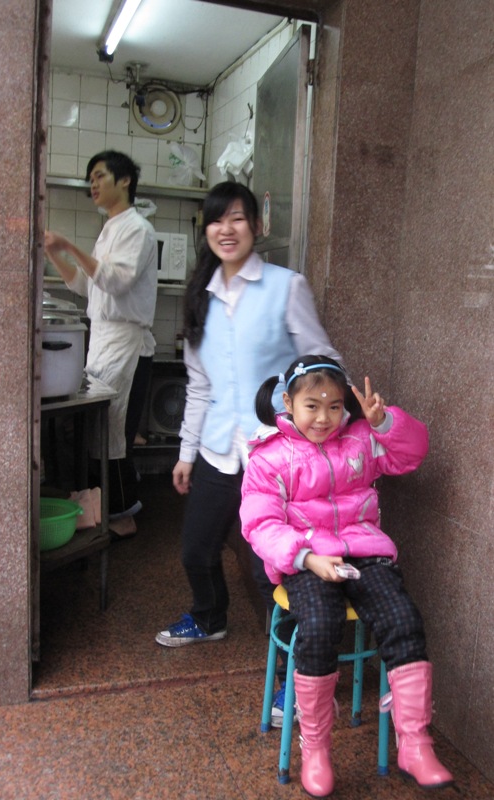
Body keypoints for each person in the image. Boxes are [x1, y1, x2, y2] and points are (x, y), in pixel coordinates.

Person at [154, 182, 346, 719]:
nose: (227, 229)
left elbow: (321, 358)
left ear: (256, 227)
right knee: (196, 550)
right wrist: (186, 452)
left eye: (238, 218)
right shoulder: (200, 297)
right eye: (217, 220)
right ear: (207, 230)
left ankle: (295, 677)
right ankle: (209, 617)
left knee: (272, 574)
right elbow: (199, 386)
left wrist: (323, 418)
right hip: (220, 450)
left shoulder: (286, 287)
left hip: (276, 454)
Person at [239, 354, 454, 797]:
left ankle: (415, 743)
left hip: (365, 550)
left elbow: (410, 455)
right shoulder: (270, 456)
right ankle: (316, 748)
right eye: (312, 406)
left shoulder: (360, 439)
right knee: (320, 625)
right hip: (305, 559)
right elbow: (261, 524)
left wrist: (383, 423)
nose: (323, 418)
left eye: (334, 406)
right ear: (288, 403)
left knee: (403, 618)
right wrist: (306, 557)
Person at [44, 150, 158, 537]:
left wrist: (70, 246)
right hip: (103, 340)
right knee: (98, 430)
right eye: (90, 179)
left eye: (99, 176)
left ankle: (123, 515)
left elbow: (116, 281)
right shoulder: (109, 229)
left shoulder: (137, 228)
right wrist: (56, 253)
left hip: (126, 343)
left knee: (113, 434)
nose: (92, 184)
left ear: (124, 180)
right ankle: (99, 507)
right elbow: (87, 286)